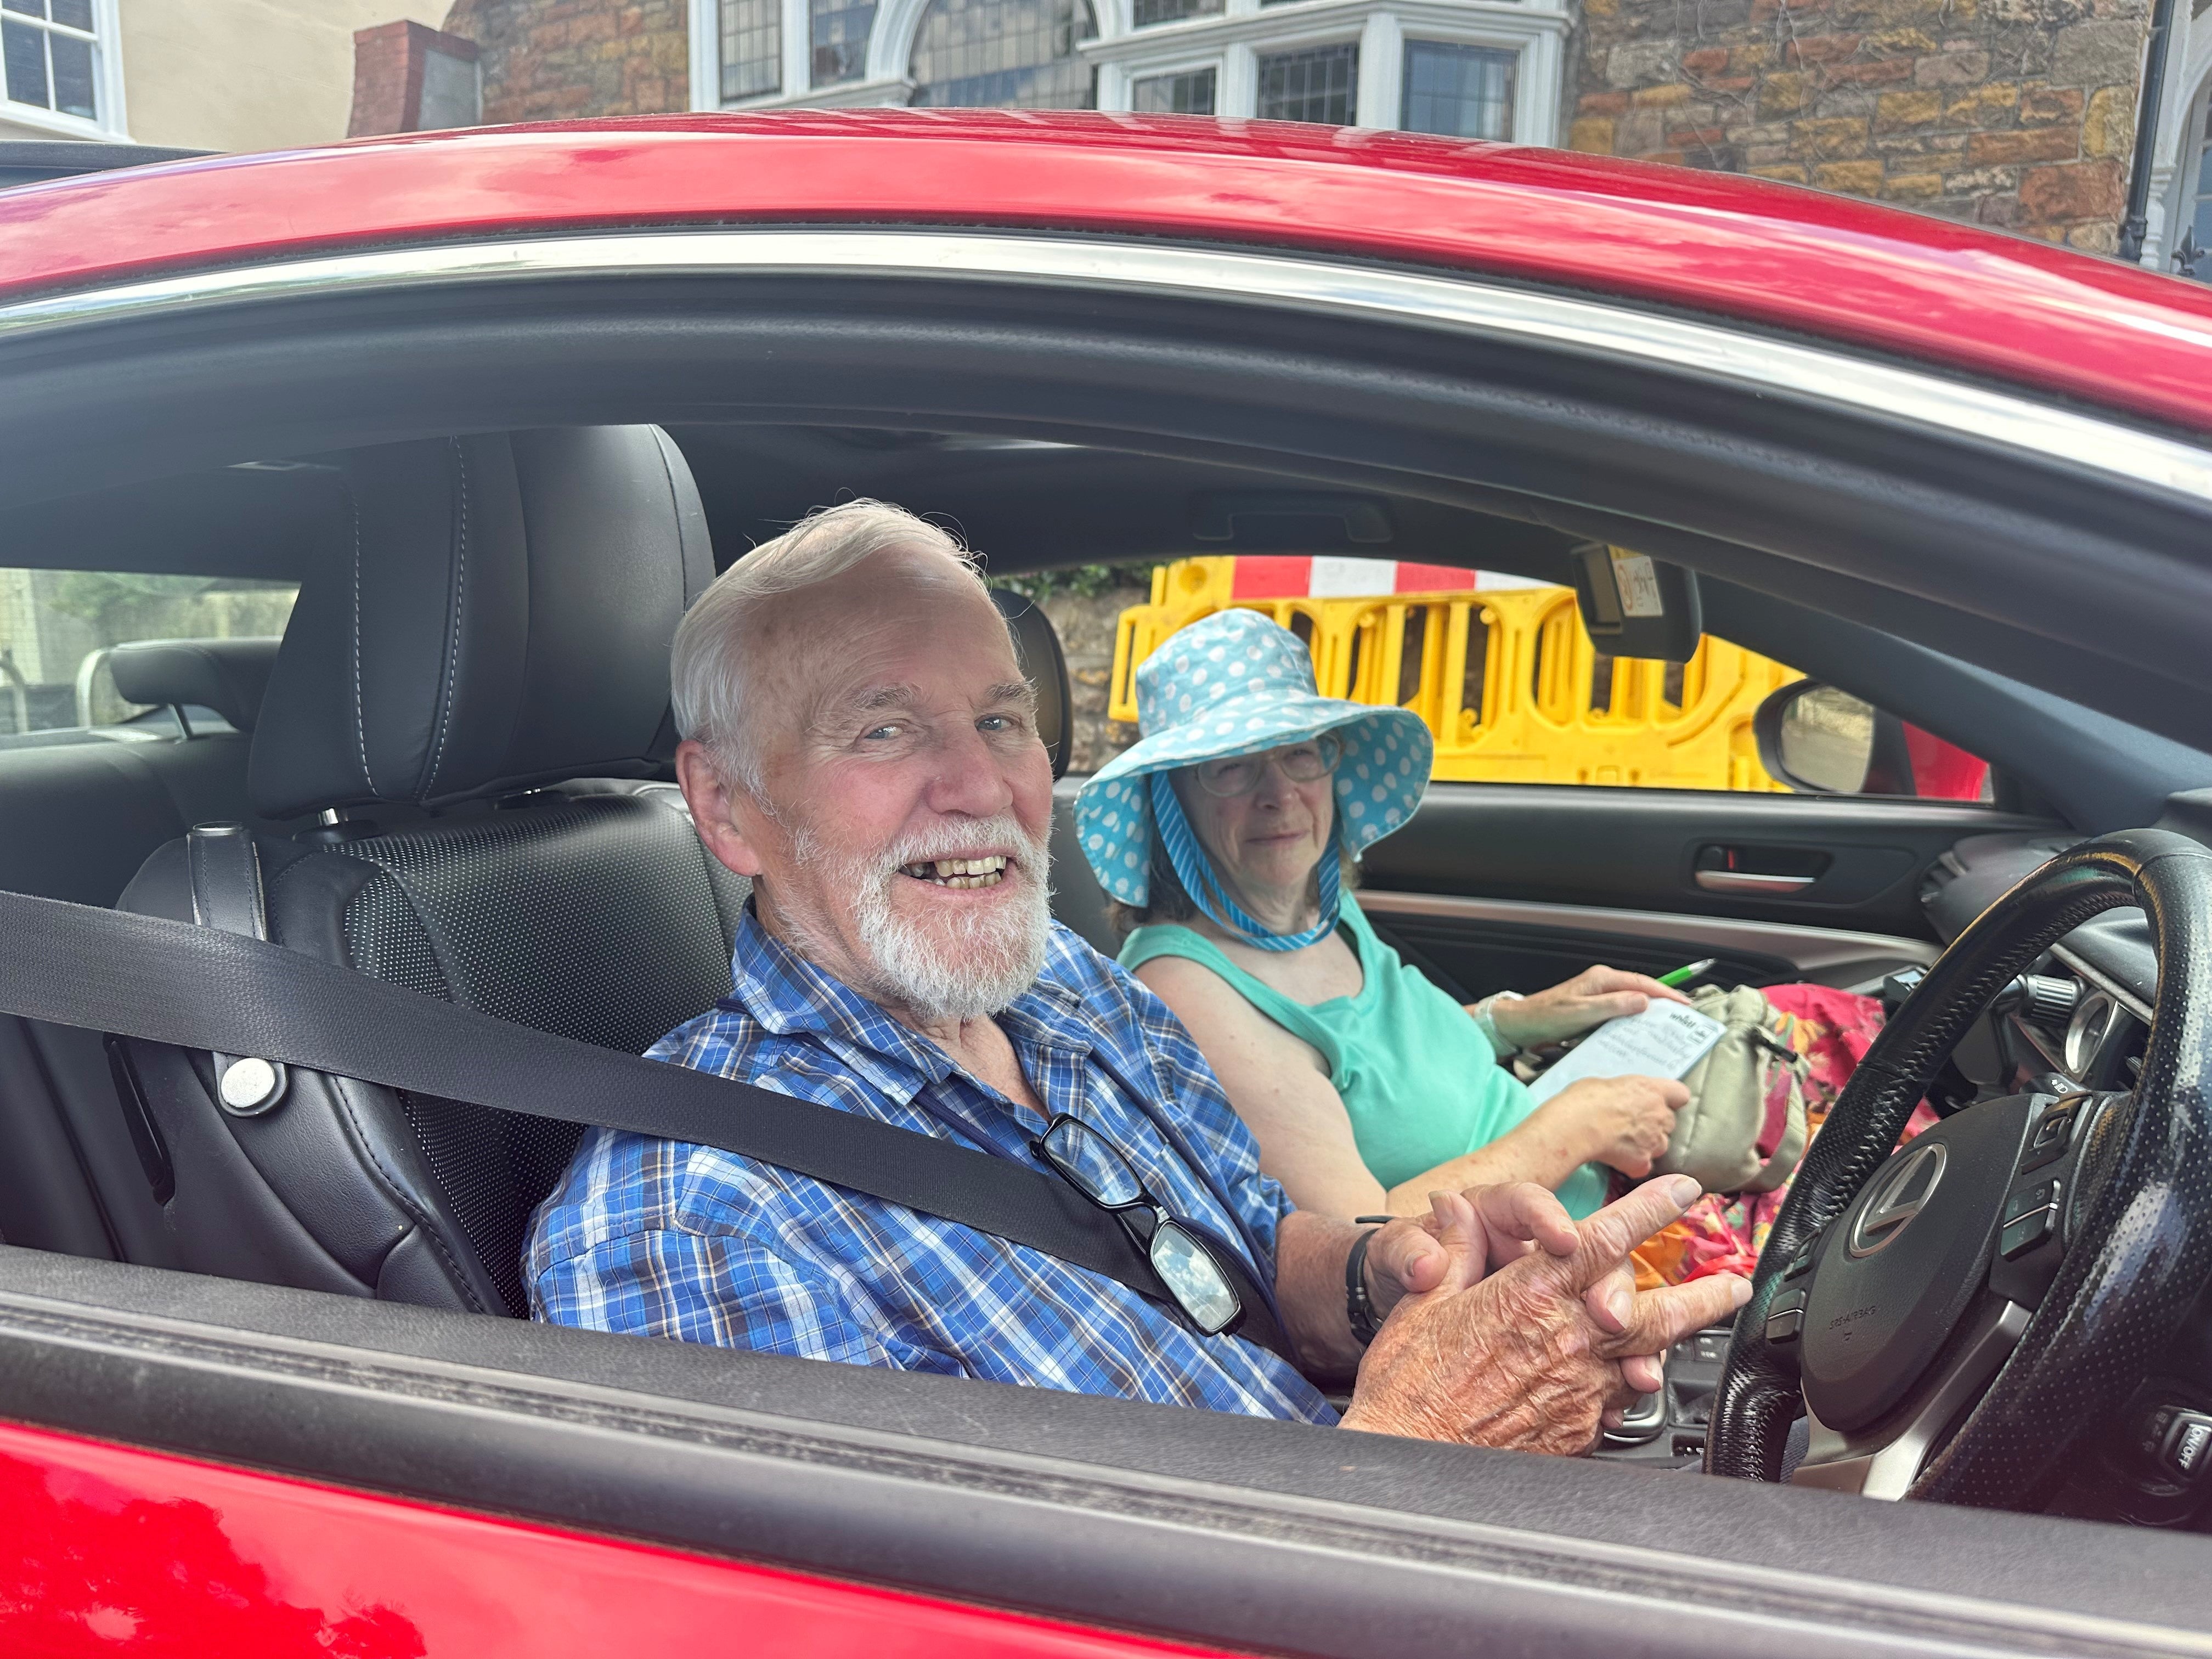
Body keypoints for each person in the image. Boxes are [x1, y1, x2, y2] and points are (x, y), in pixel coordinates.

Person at [527, 500, 1748, 1452]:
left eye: (1002, 721)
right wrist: (1424, 1446)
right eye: (884, 729)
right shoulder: (694, 1221)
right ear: (728, 808)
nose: (983, 786)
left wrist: (1397, 1275)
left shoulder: (1067, 983)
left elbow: (1253, 1256)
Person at [1080, 608, 1694, 1226]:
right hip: (1547, 1270)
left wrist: (1517, 1018)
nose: (1280, 793)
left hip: (1601, 1193)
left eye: (1300, 753)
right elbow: (1362, 1246)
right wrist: (1575, 1129)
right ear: (1171, 799)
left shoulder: (1315, 905)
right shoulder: (1189, 990)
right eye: (1231, 768)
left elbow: (1389, 1076)